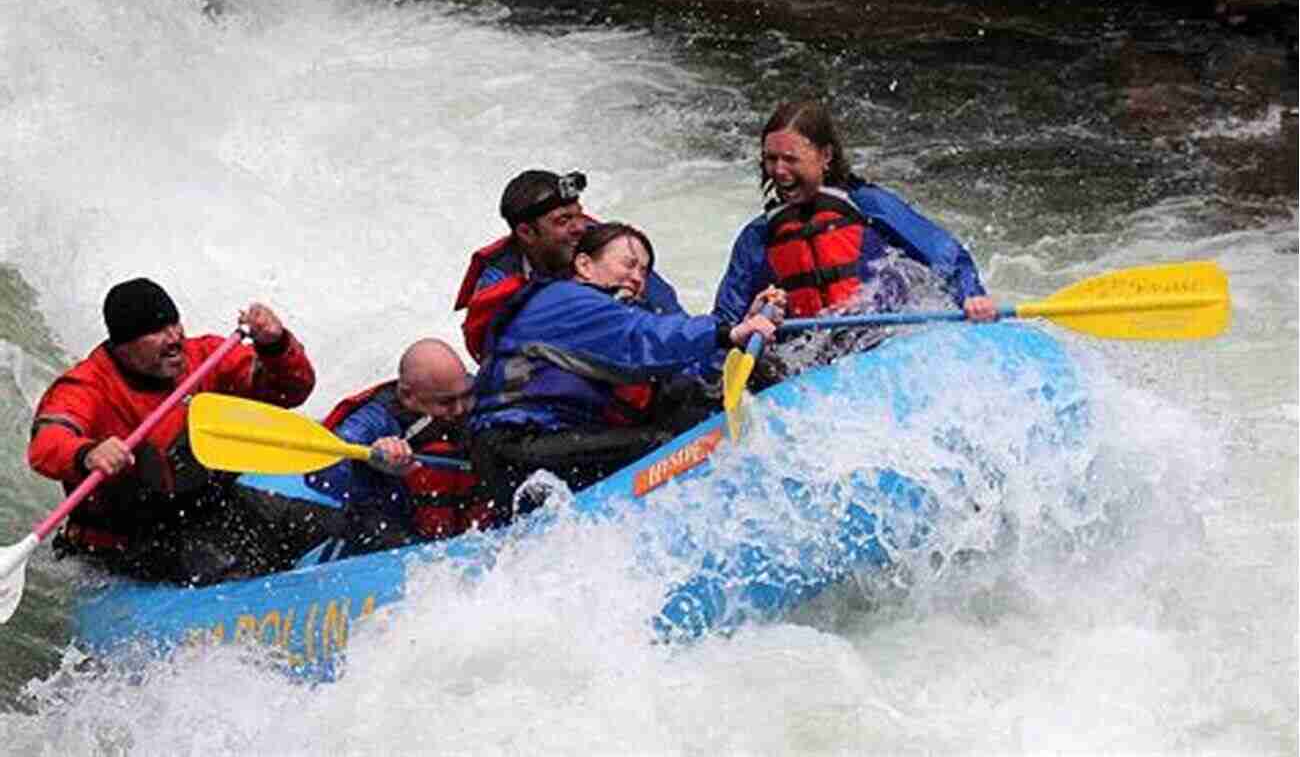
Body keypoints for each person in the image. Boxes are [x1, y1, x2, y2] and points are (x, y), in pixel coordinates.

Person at [27, 277, 334, 586]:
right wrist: (87, 453)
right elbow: (46, 444)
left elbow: (290, 392)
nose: (174, 338)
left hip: (213, 508)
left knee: (345, 527)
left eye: (174, 324)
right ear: (124, 346)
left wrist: (275, 346)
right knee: (231, 571)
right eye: (157, 331)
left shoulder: (205, 357)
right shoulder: (86, 385)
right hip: (134, 539)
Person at [470, 222, 783, 521]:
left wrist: (742, 327)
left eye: (643, 271)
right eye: (628, 264)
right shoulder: (565, 300)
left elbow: (682, 363)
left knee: (685, 411)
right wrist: (727, 331)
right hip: (514, 447)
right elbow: (644, 337)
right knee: (662, 447)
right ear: (584, 265)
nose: (637, 277)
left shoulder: (610, 311)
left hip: (551, 439)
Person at [713, 100, 999, 328]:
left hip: (883, 340)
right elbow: (726, 320)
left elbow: (946, 256)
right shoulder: (759, 237)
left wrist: (971, 296)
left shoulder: (869, 206)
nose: (778, 170)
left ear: (825, 157)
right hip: (807, 363)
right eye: (771, 159)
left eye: (790, 159)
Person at [454, 168, 685, 362]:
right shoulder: (497, 287)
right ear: (526, 232)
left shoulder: (606, 247)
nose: (579, 227)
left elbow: (666, 310)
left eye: (579, 215)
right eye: (563, 221)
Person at [305, 338, 492, 555]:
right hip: (394, 537)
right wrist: (371, 462)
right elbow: (319, 472)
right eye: (446, 402)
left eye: (465, 396)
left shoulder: (479, 393)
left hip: (472, 532)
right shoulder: (374, 419)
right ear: (406, 395)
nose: (460, 409)